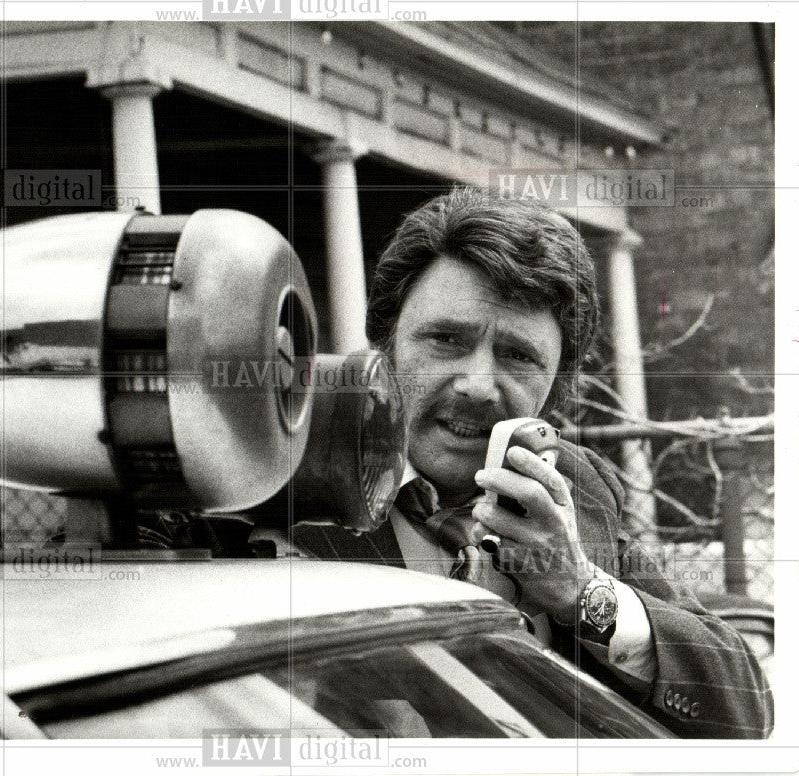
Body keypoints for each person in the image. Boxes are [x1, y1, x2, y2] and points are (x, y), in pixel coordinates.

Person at [293, 189, 773, 738]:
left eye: (518, 355)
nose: (477, 386)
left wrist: (580, 592)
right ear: (386, 343)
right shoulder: (285, 483)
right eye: (445, 339)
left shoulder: (571, 484)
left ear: (556, 386)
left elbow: (743, 706)